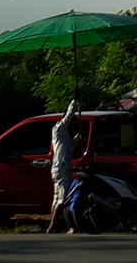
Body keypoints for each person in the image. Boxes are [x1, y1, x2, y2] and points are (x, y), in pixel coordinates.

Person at [47, 99, 80, 234]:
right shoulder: (59, 128)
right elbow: (69, 116)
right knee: (63, 198)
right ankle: (54, 225)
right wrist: (73, 104)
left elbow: (68, 147)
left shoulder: (62, 135)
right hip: (62, 168)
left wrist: (77, 139)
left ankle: (53, 225)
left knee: (57, 198)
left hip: (59, 168)